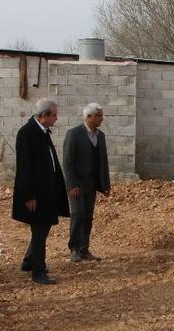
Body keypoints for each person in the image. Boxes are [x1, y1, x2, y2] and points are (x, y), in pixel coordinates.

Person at [12, 98, 69, 284]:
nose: (56, 118)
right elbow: (25, 167)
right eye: (54, 115)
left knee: (42, 230)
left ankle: (29, 261)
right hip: (36, 195)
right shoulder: (27, 133)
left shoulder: (42, 132)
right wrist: (29, 195)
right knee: (39, 231)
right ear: (44, 115)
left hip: (47, 192)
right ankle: (38, 271)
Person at [63, 103, 111, 263]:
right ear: (89, 117)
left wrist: (105, 185)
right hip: (77, 185)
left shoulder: (100, 136)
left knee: (88, 216)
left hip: (91, 184)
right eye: (99, 116)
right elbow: (68, 162)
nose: (101, 119)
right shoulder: (74, 134)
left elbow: (103, 161)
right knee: (77, 214)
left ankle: (84, 249)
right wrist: (71, 185)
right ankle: (74, 249)